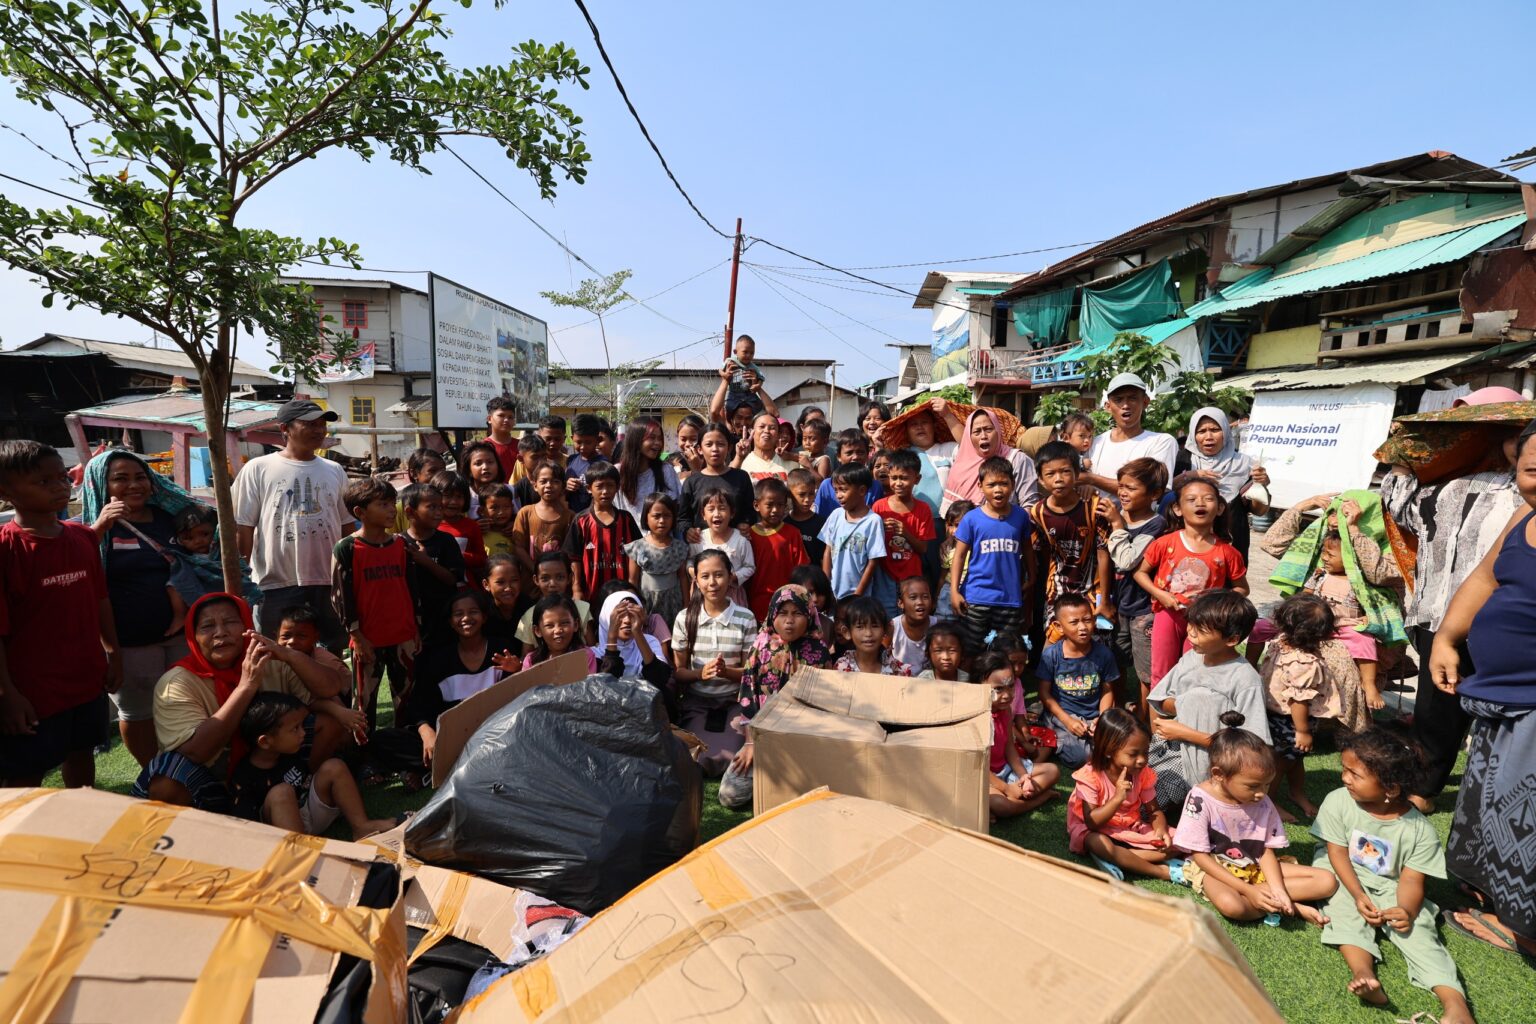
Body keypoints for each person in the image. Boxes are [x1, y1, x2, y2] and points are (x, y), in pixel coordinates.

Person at [1429, 419, 1536, 959]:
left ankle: (1526, 929)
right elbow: (1484, 579)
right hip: (1497, 693)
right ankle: (1493, 896)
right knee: (1492, 797)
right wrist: (1447, 637)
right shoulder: (1524, 515)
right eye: (1531, 470)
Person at [1311, 728, 1473, 1024]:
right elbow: (1336, 853)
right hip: (1343, 872)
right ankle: (1364, 973)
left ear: (1391, 789)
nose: (1344, 778)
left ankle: (1455, 1004)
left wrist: (1407, 910)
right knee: (1344, 909)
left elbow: (1412, 880)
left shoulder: (1419, 830)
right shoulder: (1338, 800)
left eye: (1354, 774)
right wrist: (1359, 895)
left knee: (1419, 930)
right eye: (1344, 769)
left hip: (1392, 884)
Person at [131, 593, 348, 811]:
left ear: (248, 626)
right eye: (207, 626)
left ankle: (293, 794)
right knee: (166, 781)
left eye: (231, 622)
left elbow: (329, 688)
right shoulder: (176, 683)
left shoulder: (270, 659)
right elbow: (196, 751)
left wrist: (289, 655)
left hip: (271, 762)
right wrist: (247, 685)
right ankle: (210, 822)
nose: (220, 632)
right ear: (193, 637)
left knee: (331, 719)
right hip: (212, 776)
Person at [0, 440, 121, 787]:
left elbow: (100, 599)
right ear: (6, 491)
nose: (59, 487)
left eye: (62, 477)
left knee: (81, 755)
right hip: (32, 690)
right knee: (23, 775)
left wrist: (113, 652)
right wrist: (7, 695)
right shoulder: (8, 549)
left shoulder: (82, 538)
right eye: (42, 482)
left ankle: (81, 825)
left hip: (86, 679)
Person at [81, 448, 196, 766]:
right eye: (120, 479)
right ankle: (153, 773)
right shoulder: (89, 529)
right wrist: (101, 528)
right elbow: (77, 567)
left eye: (140, 477)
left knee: (183, 705)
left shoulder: (167, 519)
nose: (134, 485)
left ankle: (185, 768)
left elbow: (197, 556)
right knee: (138, 712)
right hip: (128, 642)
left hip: (178, 636)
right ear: (101, 485)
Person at [1170, 711, 1337, 925]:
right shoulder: (1200, 798)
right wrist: (1247, 890)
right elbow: (1200, 856)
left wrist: (1278, 889)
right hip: (1215, 867)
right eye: (1253, 786)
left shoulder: (1261, 800)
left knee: (1326, 881)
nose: (1262, 793)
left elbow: (1264, 848)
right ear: (1219, 774)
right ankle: (1290, 907)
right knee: (1233, 906)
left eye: (1267, 784)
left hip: (1253, 864)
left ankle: (1272, 901)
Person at [1261, 492, 1404, 713]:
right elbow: (1272, 544)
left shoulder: (1389, 549)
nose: (1333, 521)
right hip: (1309, 625)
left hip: (1352, 633)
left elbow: (1377, 575)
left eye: (1343, 514)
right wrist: (1301, 506)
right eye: (1332, 513)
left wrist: (1354, 531)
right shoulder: (1325, 542)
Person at [371, 589, 518, 789]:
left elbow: (519, 698)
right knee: (383, 740)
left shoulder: (502, 651)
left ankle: (439, 772)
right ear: (450, 622)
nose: (466, 618)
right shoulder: (440, 660)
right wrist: (427, 734)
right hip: (451, 741)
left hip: (495, 737)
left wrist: (517, 671)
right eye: (458, 614)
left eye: (473, 612)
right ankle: (450, 767)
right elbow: (418, 705)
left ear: (484, 617)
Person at [234, 399, 353, 647]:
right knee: (275, 653)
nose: (319, 430)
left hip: (328, 581)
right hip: (275, 582)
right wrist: (239, 581)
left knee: (333, 652)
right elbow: (243, 528)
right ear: (284, 429)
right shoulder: (258, 468)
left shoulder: (334, 470)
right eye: (310, 424)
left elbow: (346, 526)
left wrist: (347, 574)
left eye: (322, 424)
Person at [1145, 590, 1268, 810]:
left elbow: (1253, 745)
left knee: (1144, 807)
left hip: (1210, 763)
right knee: (1130, 786)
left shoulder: (1245, 679)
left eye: (1200, 630)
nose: (1190, 634)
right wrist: (1187, 705)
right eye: (1191, 625)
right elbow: (1161, 700)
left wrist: (1186, 731)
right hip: (1171, 748)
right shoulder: (1192, 657)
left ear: (1231, 639)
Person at [720, 584, 833, 810]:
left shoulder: (818, 652)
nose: (789, 621)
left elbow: (823, 706)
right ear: (772, 615)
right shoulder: (760, 648)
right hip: (762, 739)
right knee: (730, 795)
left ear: (809, 615)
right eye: (783, 613)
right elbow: (748, 697)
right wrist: (751, 743)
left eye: (797, 613)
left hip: (805, 741)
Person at [1260, 594, 1370, 821]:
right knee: (1281, 762)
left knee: (1295, 759)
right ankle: (1269, 802)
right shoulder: (1304, 663)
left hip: (1276, 713)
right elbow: (1298, 700)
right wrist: (1302, 731)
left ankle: (1296, 793)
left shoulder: (1282, 642)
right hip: (1291, 721)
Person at [1133, 472, 1249, 687]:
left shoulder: (1228, 552)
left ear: (1220, 508)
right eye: (1191, 499)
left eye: (1208, 498)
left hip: (1203, 622)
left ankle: (1187, 718)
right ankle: (1157, 719)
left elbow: (1242, 589)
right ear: (1177, 509)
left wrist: (1216, 605)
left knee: (1195, 673)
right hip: (1168, 615)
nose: (1200, 503)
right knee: (1161, 675)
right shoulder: (1164, 543)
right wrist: (1160, 594)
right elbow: (1140, 573)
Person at [230, 692, 398, 838]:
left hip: (307, 814)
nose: (304, 733)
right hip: (281, 834)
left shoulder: (289, 753)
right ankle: (302, 854)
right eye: (295, 729)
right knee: (281, 793)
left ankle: (362, 827)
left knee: (334, 766)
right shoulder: (243, 777)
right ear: (265, 741)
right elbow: (247, 830)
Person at [331, 476, 421, 734]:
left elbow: (412, 591)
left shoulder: (401, 544)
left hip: (403, 636)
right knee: (364, 704)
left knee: (406, 699)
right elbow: (340, 597)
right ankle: (365, 760)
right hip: (367, 640)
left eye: (393, 503)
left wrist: (416, 629)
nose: (392, 509)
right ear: (360, 512)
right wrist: (356, 636)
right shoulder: (347, 548)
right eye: (383, 504)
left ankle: (405, 752)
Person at [1067, 708, 1183, 883]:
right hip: (1094, 828)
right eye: (1133, 754)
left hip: (1127, 825)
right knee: (1097, 842)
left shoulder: (1142, 773)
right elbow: (1091, 822)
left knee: (1179, 841)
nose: (1142, 760)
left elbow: (1154, 811)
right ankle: (1159, 871)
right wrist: (1117, 798)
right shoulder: (1090, 777)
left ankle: (1122, 858)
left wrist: (1160, 830)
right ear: (1108, 751)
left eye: (1145, 752)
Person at [672, 549, 757, 774]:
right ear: (696, 580)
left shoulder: (745, 617)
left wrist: (726, 672)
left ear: (730, 577)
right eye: (705, 576)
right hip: (697, 702)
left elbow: (750, 674)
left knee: (731, 757)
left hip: (733, 702)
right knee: (694, 756)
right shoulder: (684, 618)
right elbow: (679, 672)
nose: (712, 583)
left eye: (719, 575)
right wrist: (700, 674)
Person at [950, 457, 1035, 652]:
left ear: (1012, 485)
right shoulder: (971, 519)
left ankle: (1001, 683)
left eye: (1004, 483)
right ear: (980, 486)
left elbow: (1028, 548)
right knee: (971, 649)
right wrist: (955, 591)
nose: (998, 489)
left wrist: (1032, 576)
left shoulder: (1021, 516)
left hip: (1010, 598)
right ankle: (971, 683)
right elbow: (959, 556)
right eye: (992, 484)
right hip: (976, 597)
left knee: (1005, 651)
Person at [1030, 441, 1113, 631]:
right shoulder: (1037, 513)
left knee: (1093, 643)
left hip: (1094, 589)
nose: (1058, 479)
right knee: (1053, 643)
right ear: (1041, 479)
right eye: (1050, 474)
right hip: (1058, 589)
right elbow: (1041, 553)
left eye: (1065, 471)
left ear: (1077, 474)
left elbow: (1103, 553)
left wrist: (1105, 599)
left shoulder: (1094, 507)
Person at [1105, 457, 1168, 705]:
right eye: (1121, 485)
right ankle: (1118, 708)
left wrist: (1117, 525)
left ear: (1154, 494)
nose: (1123, 492)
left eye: (1131, 488)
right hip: (1117, 604)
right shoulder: (1119, 515)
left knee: (1145, 670)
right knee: (1115, 661)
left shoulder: (1155, 524)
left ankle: (1144, 715)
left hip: (1144, 608)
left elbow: (1126, 561)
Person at [1035, 593, 1120, 768]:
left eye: (1087, 620)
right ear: (1059, 626)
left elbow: (1107, 690)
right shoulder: (1051, 655)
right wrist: (1068, 721)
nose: (1083, 627)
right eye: (1074, 622)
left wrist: (1102, 718)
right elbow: (1044, 693)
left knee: (1115, 749)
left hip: (1093, 717)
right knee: (1083, 757)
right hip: (1062, 715)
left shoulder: (1104, 654)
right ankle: (1055, 736)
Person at [975, 652, 1059, 819]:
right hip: (984, 777)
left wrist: (1023, 776)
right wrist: (1007, 789)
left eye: (1011, 686)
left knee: (1053, 771)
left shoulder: (1005, 710)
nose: (1007, 695)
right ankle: (1041, 797)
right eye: (998, 689)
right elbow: (977, 767)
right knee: (1002, 806)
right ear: (979, 685)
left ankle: (1008, 800)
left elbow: (1009, 748)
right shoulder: (976, 717)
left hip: (1006, 770)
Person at [1078, 374, 1179, 505]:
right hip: (1094, 522)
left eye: (1132, 398)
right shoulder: (1095, 443)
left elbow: (1151, 490)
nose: (1125, 405)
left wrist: (1091, 480)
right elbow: (1078, 479)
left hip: (1139, 525)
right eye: (1118, 400)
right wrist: (1082, 485)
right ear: (1108, 406)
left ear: (1145, 402)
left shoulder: (1162, 442)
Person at [1185, 407, 1269, 562]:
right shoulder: (1182, 461)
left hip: (1232, 542)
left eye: (1215, 429)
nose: (1208, 436)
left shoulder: (1245, 464)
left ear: (1225, 431)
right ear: (1193, 435)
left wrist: (1261, 486)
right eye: (1201, 431)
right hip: (1187, 544)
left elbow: (1259, 512)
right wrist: (1191, 476)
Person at [870, 448, 935, 619]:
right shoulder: (879, 506)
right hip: (885, 573)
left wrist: (905, 532)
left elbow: (923, 549)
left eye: (904, 478)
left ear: (917, 479)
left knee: (910, 617)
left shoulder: (923, 509)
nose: (898, 483)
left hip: (911, 574)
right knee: (886, 617)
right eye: (894, 478)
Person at [562, 461, 638, 604]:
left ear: (617, 488)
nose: (605, 491)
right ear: (589, 488)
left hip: (622, 594)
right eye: (599, 486)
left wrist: (632, 585)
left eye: (610, 486)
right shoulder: (581, 520)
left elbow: (635, 554)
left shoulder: (626, 519)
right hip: (591, 593)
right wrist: (576, 588)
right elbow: (574, 557)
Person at [399, 483, 465, 648]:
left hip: (443, 618)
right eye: (431, 507)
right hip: (412, 621)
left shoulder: (446, 541)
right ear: (410, 512)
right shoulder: (399, 543)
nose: (438, 513)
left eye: (440, 507)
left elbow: (452, 579)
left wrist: (426, 561)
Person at [940, 408, 1038, 514]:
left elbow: (1030, 504)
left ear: (998, 431)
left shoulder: (1017, 459)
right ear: (969, 437)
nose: (983, 436)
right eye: (977, 432)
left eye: (988, 429)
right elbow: (951, 516)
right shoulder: (960, 467)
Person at [678, 422, 757, 540]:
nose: (715, 449)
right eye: (709, 444)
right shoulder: (691, 482)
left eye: (720, 444)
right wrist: (687, 531)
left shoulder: (741, 477)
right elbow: (682, 519)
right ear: (699, 449)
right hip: (702, 547)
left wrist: (746, 523)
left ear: (729, 448)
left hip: (736, 546)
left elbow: (750, 512)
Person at [819, 462, 886, 601]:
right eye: (836, 490)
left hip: (858, 596)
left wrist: (857, 595)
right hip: (832, 592)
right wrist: (825, 586)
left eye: (843, 490)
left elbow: (873, 562)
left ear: (862, 490)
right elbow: (827, 551)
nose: (839, 495)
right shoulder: (836, 515)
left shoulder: (873, 521)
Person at [746, 477, 809, 622]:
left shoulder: (792, 533)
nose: (775, 510)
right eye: (769, 505)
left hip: (786, 604)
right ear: (756, 505)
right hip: (756, 603)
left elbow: (801, 570)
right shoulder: (749, 535)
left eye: (780, 505)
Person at [626, 493, 691, 630]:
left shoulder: (679, 547)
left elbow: (683, 577)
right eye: (656, 516)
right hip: (648, 603)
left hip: (674, 603)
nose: (662, 521)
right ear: (646, 518)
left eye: (667, 516)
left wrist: (686, 605)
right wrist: (634, 605)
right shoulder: (637, 547)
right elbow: (633, 580)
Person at [592, 590, 672, 691]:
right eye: (620, 615)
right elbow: (606, 688)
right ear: (607, 617)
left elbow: (659, 679)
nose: (627, 621)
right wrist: (611, 636)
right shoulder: (594, 654)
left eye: (632, 614)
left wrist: (637, 632)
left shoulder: (650, 642)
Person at [691, 487, 755, 606]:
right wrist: (694, 573)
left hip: (733, 596)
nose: (717, 514)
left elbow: (750, 566)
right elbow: (690, 561)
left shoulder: (741, 540)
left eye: (722, 508)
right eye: (711, 509)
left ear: (732, 513)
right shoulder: (698, 539)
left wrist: (734, 577)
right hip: (705, 596)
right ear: (703, 514)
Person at [511, 461, 573, 581]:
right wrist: (536, 569)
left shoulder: (570, 516)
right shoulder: (525, 513)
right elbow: (518, 547)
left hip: (559, 581)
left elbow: (570, 552)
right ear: (535, 486)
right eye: (543, 481)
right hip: (530, 581)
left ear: (563, 486)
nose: (549, 485)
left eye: (555, 481)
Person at [515, 552, 592, 650]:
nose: (552, 584)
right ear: (536, 580)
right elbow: (526, 656)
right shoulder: (529, 615)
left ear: (569, 578)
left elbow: (592, 649)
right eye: (545, 578)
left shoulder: (582, 608)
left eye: (559, 577)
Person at [615, 417, 682, 524]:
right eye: (652, 438)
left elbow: (675, 506)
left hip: (659, 537)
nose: (658, 443)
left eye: (660, 438)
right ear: (636, 440)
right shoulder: (618, 472)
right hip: (627, 538)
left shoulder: (666, 470)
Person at [432, 470, 487, 586]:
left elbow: (482, 559)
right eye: (447, 496)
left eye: (459, 496)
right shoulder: (429, 525)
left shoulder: (471, 526)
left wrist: (459, 556)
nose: (454, 502)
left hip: (465, 588)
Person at [813, 428, 884, 516]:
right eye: (849, 453)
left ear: (867, 455)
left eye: (860, 452)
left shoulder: (875, 486)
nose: (855, 457)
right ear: (838, 456)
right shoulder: (827, 485)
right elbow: (819, 516)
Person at [835, 595, 912, 676]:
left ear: (886, 629)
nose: (868, 633)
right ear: (847, 632)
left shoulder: (899, 671)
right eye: (860, 627)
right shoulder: (842, 668)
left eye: (875, 626)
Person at [521, 593, 598, 673]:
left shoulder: (585, 656)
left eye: (564, 623)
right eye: (549, 625)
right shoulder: (531, 661)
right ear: (538, 631)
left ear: (575, 625)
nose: (558, 630)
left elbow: (588, 684)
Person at [934, 499, 973, 622]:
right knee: (945, 622)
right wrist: (937, 597)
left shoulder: (977, 547)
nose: (954, 531)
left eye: (958, 525)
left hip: (970, 589)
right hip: (949, 588)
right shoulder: (947, 548)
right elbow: (943, 575)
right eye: (950, 525)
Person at [888, 577, 934, 676]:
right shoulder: (892, 627)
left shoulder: (937, 626)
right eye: (913, 597)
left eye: (925, 597)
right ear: (901, 603)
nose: (920, 602)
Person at [785, 467, 827, 568]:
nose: (807, 499)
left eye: (811, 494)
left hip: (814, 578)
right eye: (802, 495)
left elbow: (825, 558)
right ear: (789, 494)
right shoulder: (784, 523)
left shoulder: (822, 523)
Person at [481, 553, 526, 649]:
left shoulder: (529, 608)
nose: (508, 588)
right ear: (486, 585)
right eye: (500, 582)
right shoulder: (481, 611)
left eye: (514, 580)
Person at [740, 412, 798, 482]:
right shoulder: (742, 463)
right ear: (751, 431)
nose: (767, 431)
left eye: (772, 428)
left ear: (778, 434)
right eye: (762, 427)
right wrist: (739, 457)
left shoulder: (792, 464)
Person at [788, 564, 837, 648]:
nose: (815, 599)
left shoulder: (828, 625)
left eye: (821, 593)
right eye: (809, 593)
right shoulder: (785, 621)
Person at [566, 413, 604, 514]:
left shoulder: (603, 464)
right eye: (578, 442)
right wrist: (567, 485)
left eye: (588, 442)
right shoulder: (571, 460)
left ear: (597, 440)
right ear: (572, 438)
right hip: (572, 516)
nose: (582, 447)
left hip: (592, 517)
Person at [722, 333, 767, 411]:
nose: (749, 355)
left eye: (752, 353)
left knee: (759, 407)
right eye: (745, 352)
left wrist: (758, 385)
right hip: (733, 393)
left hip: (748, 393)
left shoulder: (753, 367)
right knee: (729, 408)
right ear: (735, 351)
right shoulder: (730, 361)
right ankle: (729, 421)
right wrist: (725, 375)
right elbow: (720, 370)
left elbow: (761, 378)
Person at [476, 483, 518, 561]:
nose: (501, 512)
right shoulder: (478, 534)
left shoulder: (517, 532)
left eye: (506, 507)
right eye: (494, 508)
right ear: (481, 511)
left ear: (512, 507)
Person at [483, 396, 520, 482]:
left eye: (510, 417)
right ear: (489, 419)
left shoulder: (522, 446)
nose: (506, 420)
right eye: (501, 415)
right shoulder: (483, 447)